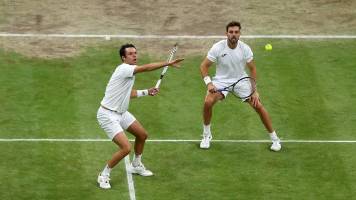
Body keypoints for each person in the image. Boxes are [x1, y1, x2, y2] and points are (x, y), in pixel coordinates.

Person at [97, 43, 184, 189]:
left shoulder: (128, 73)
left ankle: (136, 165)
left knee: (142, 135)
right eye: (130, 54)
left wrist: (146, 92)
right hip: (107, 115)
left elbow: (128, 94)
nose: (134, 56)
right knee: (125, 148)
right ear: (123, 58)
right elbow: (146, 68)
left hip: (121, 112)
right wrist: (167, 63)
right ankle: (104, 174)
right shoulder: (124, 69)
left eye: (135, 53)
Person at [199, 21, 281, 151]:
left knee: (258, 105)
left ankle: (275, 139)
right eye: (231, 32)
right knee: (208, 102)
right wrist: (209, 83)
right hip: (221, 81)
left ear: (240, 34)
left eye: (236, 32)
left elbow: (253, 69)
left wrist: (254, 91)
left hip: (241, 80)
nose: (233, 35)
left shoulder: (245, 49)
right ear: (226, 33)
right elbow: (203, 66)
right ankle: (206, 135)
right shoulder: (217, 47)